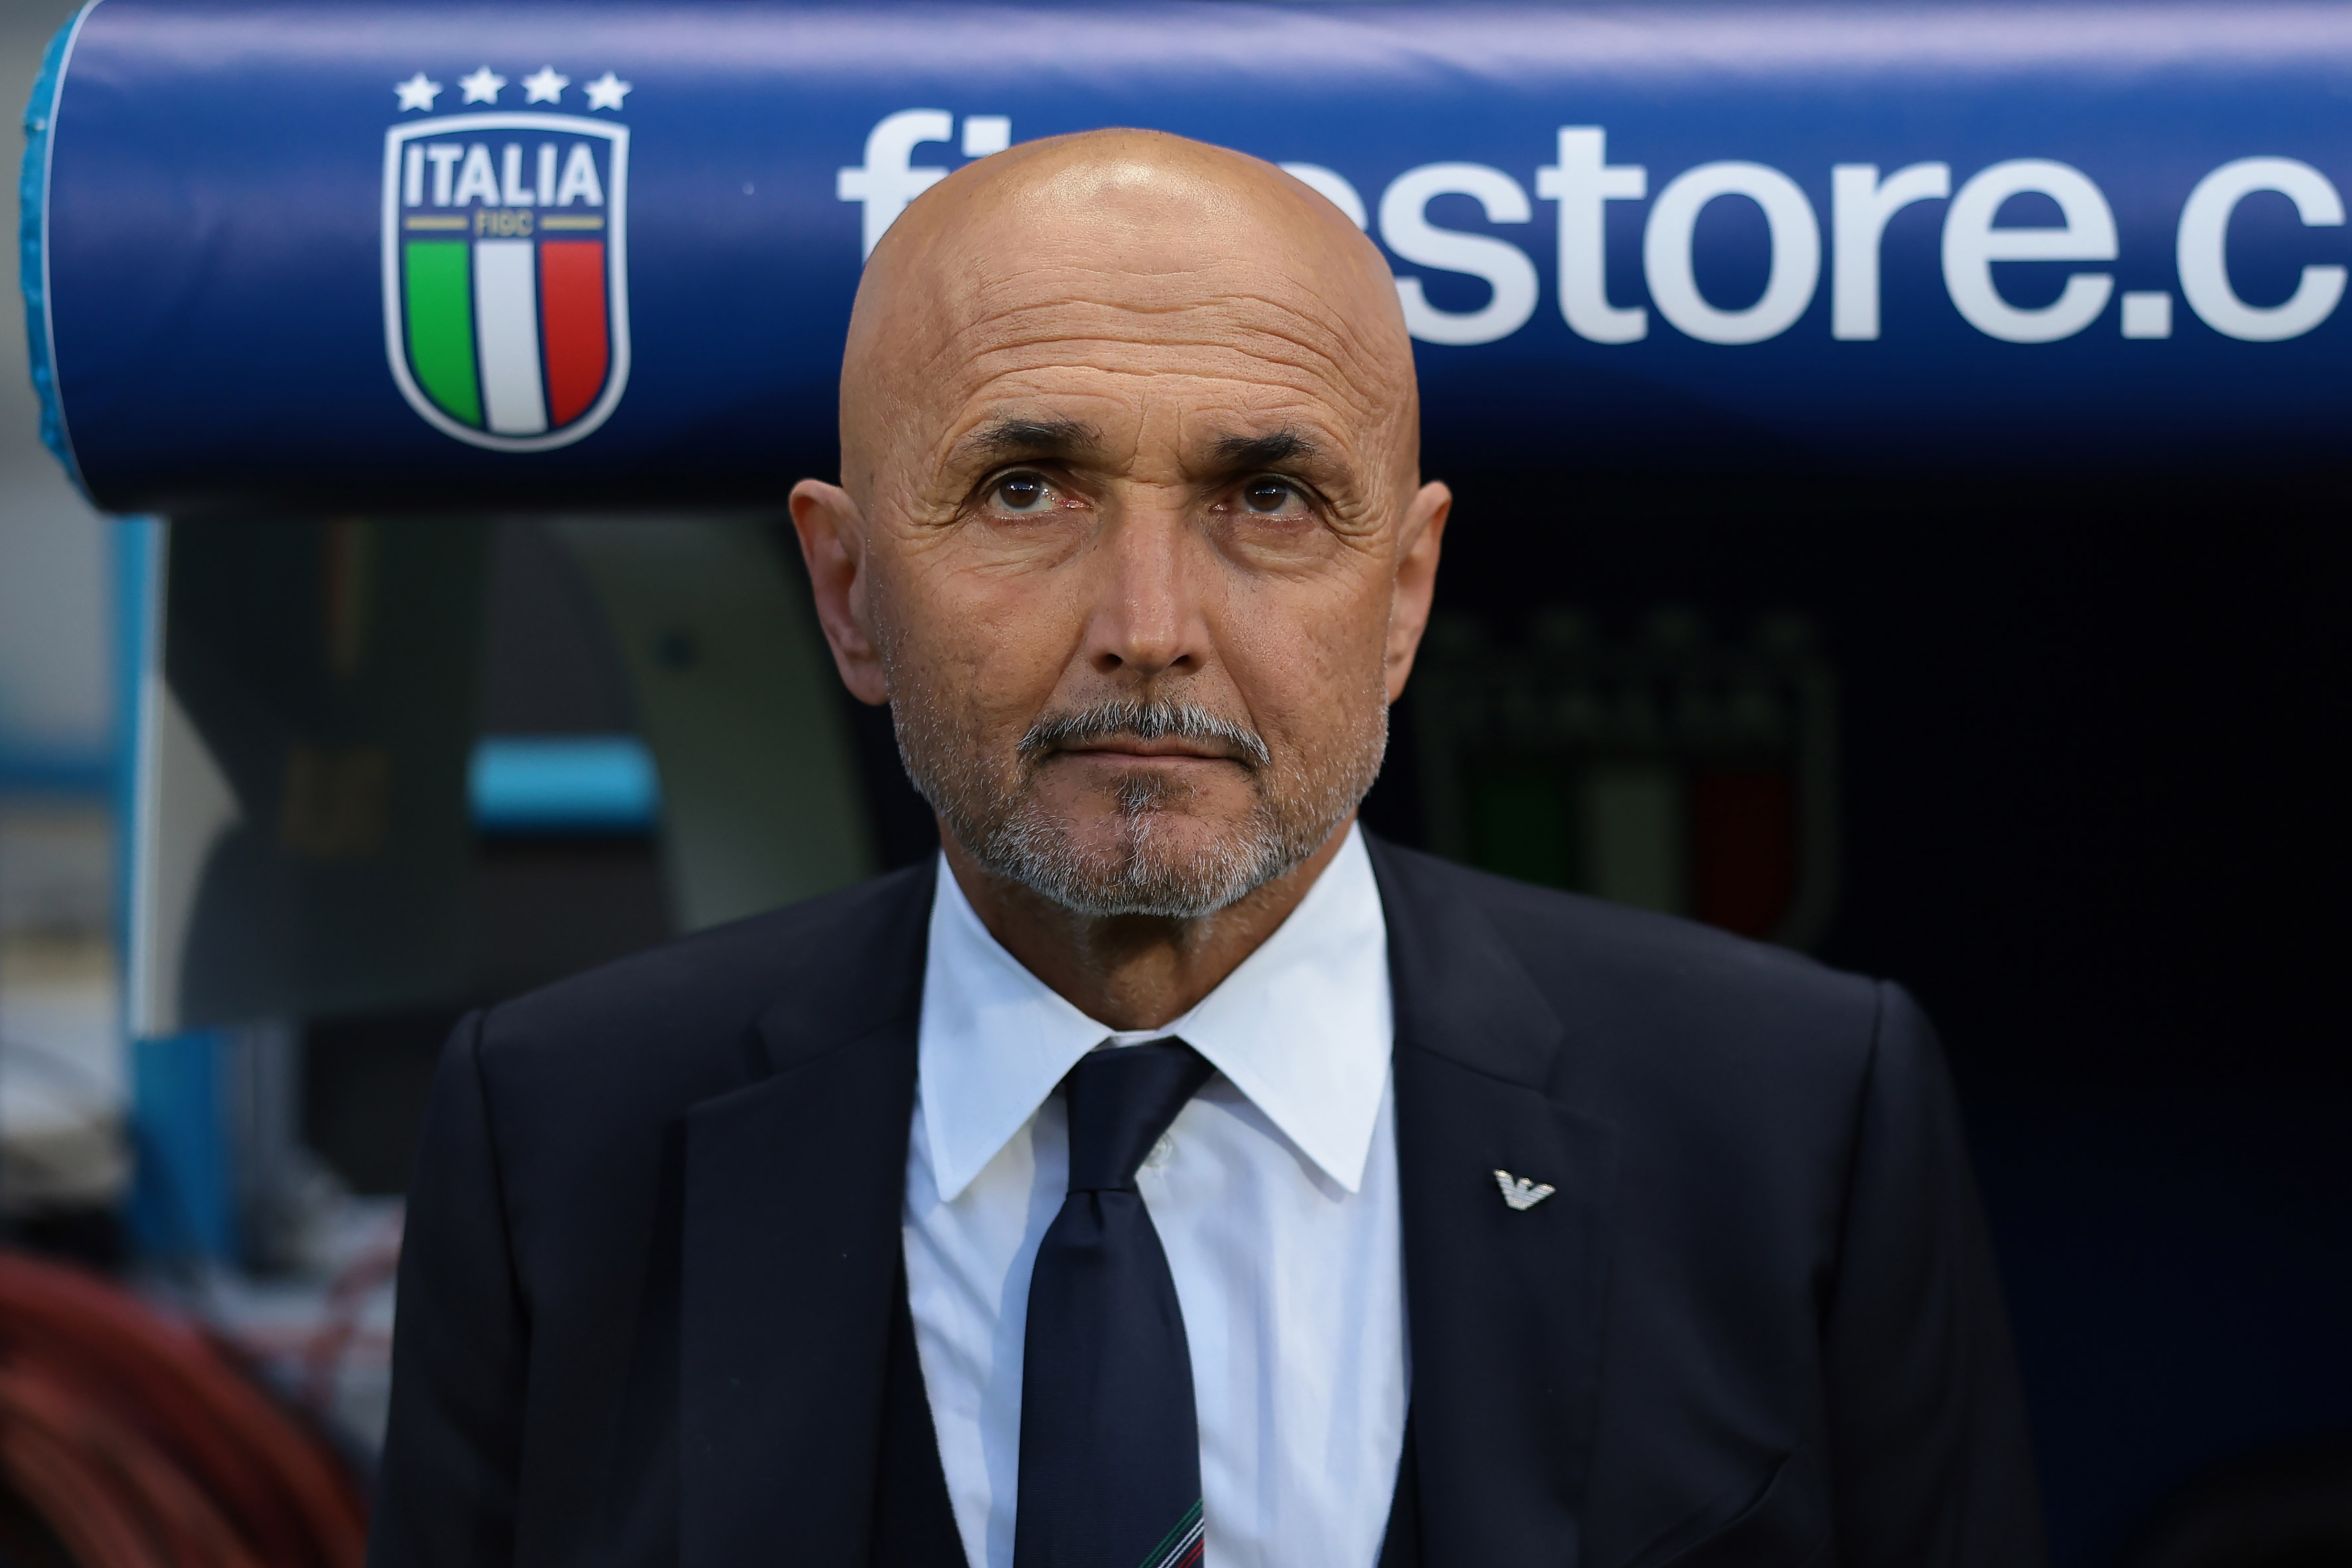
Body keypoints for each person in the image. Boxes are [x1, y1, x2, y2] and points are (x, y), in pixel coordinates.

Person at [372, 129, 2047, 1568]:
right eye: (1025, 488)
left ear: (1403, 596)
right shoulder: (559, 1138)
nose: (1148, 622)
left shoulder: (1795, 1118)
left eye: (1267, 497)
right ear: (848, 588)